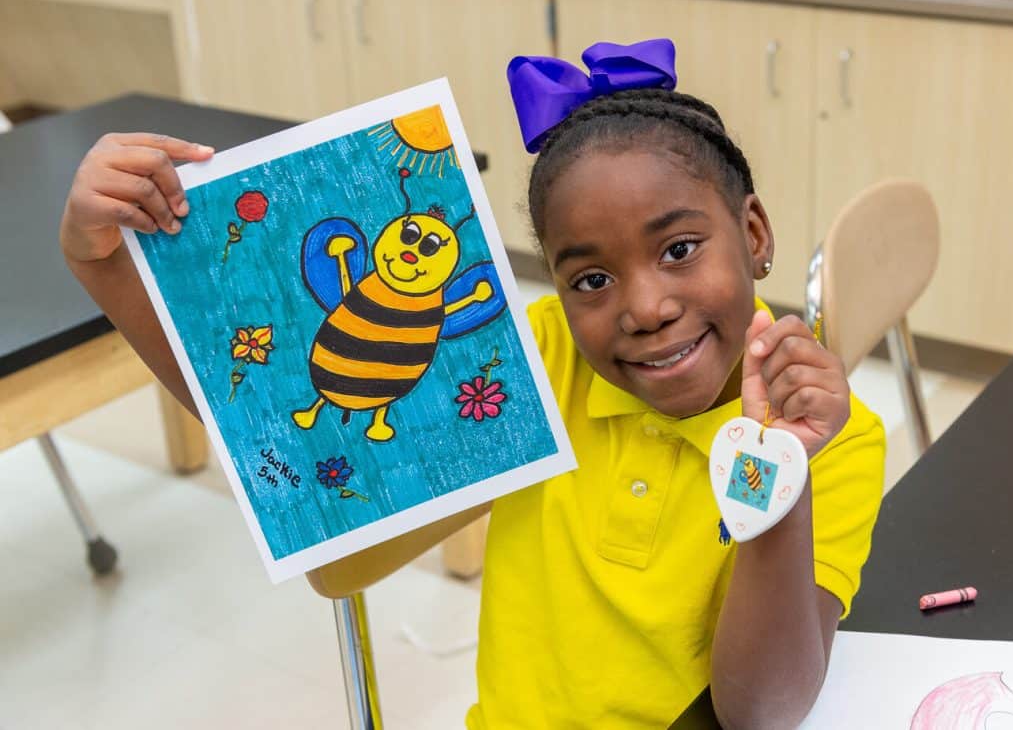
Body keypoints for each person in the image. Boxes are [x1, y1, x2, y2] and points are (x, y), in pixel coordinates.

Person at [60, 38, 885, 729]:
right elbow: (296, 463)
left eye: (678, 250)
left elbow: (763, 710)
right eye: (590, 279)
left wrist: (779, 472)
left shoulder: (838, 438)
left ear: (753, 232)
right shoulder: (535, 360)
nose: (645, 307)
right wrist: (105, 268)